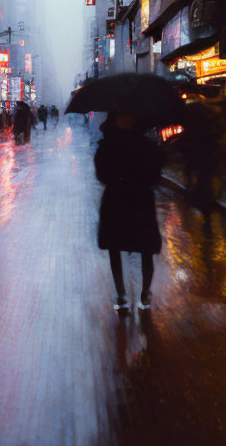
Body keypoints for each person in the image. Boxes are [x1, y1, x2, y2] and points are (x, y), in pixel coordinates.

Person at [95, 113, 163, 312]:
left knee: (118, 249)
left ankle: (124, 294)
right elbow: (155, 177)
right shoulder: (147, 146)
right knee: (144, 249)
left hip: (116, 201)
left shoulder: (108, 145)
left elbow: (101, 174)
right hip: (140, 201)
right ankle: (140, 294)